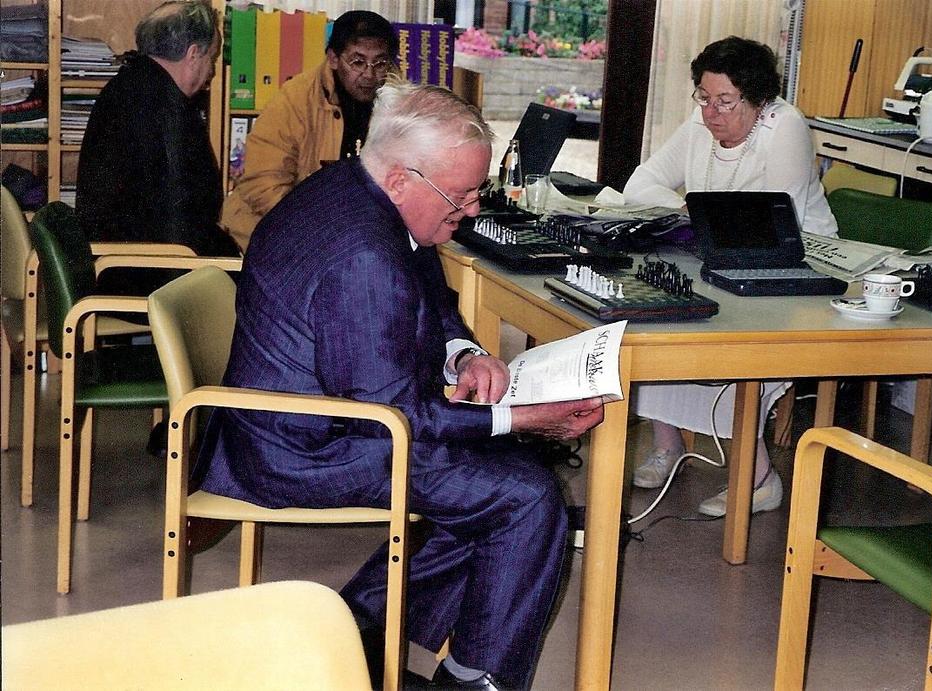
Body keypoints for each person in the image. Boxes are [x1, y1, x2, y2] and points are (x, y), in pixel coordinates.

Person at [196, 81, 605, 690]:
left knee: (501, 479)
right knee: (523, 497)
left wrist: (463, 352)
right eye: (462, 194)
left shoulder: (355, 188)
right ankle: (471, 678)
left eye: (477, 190)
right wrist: (521, 418)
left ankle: (353, 629)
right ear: (401, 179)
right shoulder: (362, 253)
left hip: (311, 419)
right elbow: (394, 416)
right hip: (302, 448)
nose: (471, 209)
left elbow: (430, 295)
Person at [622, 36, 839, 516]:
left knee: (733, 340)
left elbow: (778, 223)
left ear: (758, 100)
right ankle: (669, 442)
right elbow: (641, 182)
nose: (711, 112)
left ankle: (759, 479)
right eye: (704, 96)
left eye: (725, 101)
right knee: (657, 317)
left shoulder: (784, 127)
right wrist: (686, 209)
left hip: (797, 263)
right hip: (719, 256)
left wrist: (701, 221)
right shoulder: (703, 123)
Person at [76, 0, 238, 296]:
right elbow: (189, 209)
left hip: (119, 261)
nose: (212, 71)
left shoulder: (127, 86)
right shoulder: (166, 108)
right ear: (193, 54)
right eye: (211, 58)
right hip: (149, 269)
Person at [220, 10, 396, 251]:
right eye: (357, 62)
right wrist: (314, 230)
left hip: (352, 235)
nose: (369, 74)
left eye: (380, 63)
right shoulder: (295, 99)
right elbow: (262, 183)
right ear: (333, 59)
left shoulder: (398, 103)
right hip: (275, 232)